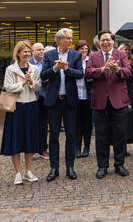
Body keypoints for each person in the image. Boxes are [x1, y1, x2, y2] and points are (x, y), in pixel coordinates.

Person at [85, 30, 133, 179]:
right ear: (99, 42)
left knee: (119, 135)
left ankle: (119, 164)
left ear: (113, 41)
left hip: (118, 101)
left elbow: (129, 72)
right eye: (102, 40)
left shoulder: (121, 54)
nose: (105, 42)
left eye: (108, 40)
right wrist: (103, 69)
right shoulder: (93, 56)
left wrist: (117, 69)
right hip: (100, 102)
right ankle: (102, 166)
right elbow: (87, 73)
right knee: (101, 136)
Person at [41, 28, 83, 182]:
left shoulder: (76, 55)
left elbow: (80, 74)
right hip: (53, 101)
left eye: (71, 38)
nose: (71, 41)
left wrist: (66, 69)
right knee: (53, 136)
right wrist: (55, 68)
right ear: (59, 40)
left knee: (71, 135)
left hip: (70, 101)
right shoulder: (49, 55)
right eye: (67, 38)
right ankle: (54, 168)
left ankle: (70, 167)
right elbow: (43, 75)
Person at [1, 41, 42, 185]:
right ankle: (17, 173)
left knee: (29, 139)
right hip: (16, 107)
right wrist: (22, 83)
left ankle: (28, 171)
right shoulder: (10, 69)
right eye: (24, 51)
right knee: (16, 140)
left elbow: (38, 87)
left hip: (31, 106)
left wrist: (31, 82)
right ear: (18, 53)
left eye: (28, 51)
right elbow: (7, 87)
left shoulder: (35, 68)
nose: (27, 54)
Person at [73, 40, 93, 158]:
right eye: (81, 49)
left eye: (86, 49)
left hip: (88, 96)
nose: (84, 51)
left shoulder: (91, 60)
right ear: (77, 50)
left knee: (87, 124)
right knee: (77, 124)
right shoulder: (73, 60)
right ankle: (77, 148)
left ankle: (86, 146)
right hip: (76, 95)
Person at [29, 43, 49, 160]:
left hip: (44, 97)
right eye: (38, 50)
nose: (41, 52)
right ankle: (30, 149)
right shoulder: (27, 62)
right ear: (32, 51)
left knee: (43, 124)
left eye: (42, 50)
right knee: (31, 124)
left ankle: (43, 148)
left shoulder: (46, 62)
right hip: (30, 97)